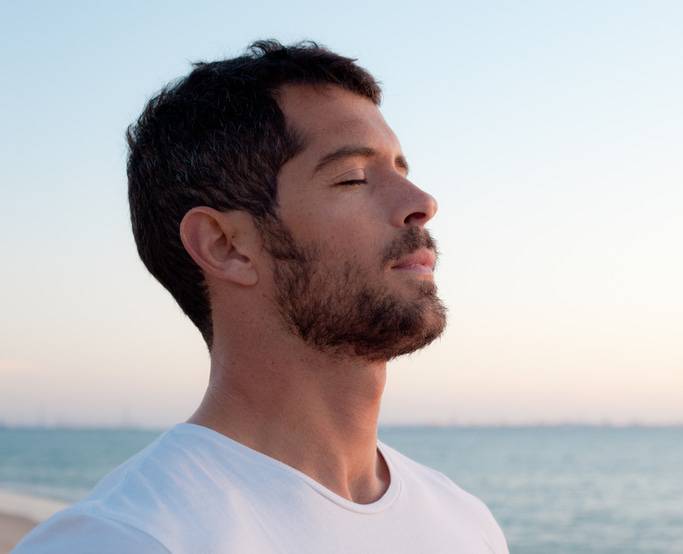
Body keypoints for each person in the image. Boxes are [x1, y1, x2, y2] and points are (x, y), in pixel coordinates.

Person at [14, 40, 509, 554]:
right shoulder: (125, 538)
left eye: (401, 172)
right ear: (226, 246)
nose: (422, 203)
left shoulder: (463, 521)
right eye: (353, 178)